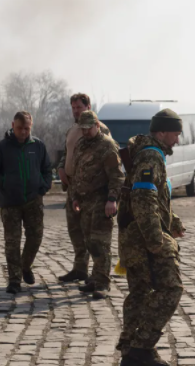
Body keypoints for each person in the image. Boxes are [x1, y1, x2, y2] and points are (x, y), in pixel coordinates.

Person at [117, 109, 187, 366]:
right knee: (171, 289)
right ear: (161, 132)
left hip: (135, 238)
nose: (177, 140)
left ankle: (131, 353)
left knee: (140, 294)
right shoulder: (151, 157)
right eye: (175, 134)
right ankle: (140, 347)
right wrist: (156, 241)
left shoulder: (149, 154)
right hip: (143, 240)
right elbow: (143, 198)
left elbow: (156, 198)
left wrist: (173, 220)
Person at [0, 111, 53, 294]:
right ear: (12, 125)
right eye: (20, 128)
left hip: (33, 200)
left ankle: (25, 265)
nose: (23, 132)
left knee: (36, 237)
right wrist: (4, 183)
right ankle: (14, 280)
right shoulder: (2, 148)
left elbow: (47, 169)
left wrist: (44, 186)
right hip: (10, 203)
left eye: (27, 128)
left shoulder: (38, 146)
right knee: (12, 242)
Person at [57, 93, 111, 283]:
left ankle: (98, 275)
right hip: (73, 185)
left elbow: (109, 161)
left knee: (92, 233)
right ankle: (79, 268)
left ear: (88, 107)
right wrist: (61, 168)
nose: (75, 111)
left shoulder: (101, 130)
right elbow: (68, 152)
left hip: (93, 189)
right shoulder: (73, 129)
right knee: (75, 229)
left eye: (78, 107)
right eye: (73, 108)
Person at [71, 110, 125, 299]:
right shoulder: (81, 145)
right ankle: (94, 278)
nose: (85, 132)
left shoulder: (107, 146)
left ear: (96, 125)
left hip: (102, 201)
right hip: (85, 202)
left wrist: (112, 200)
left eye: (88, 128)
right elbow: (78, 172)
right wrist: (75, 196)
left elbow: (117, 176)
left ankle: (102, 283)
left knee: (101, 243)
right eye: (82, 128)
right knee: (89, 242)